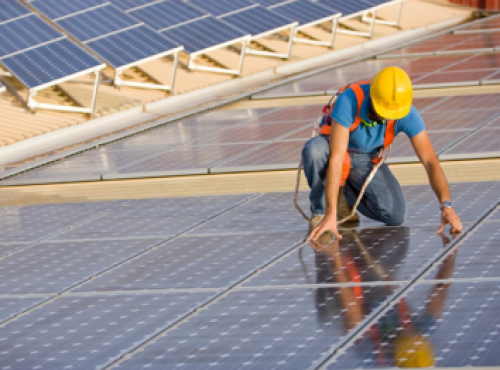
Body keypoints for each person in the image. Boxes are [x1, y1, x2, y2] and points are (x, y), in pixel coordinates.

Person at [303, 66, 463, 241]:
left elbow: (430, 162)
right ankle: (322, 212)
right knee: (315, 150)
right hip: (334, 151)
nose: (387, 117)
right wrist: (331, 214)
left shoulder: (405, 111)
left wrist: (446, 205)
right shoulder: (349, 100)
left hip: (366, 159)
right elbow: (336, 157)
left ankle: (345, 200)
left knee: (395, 216)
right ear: (372, 96)